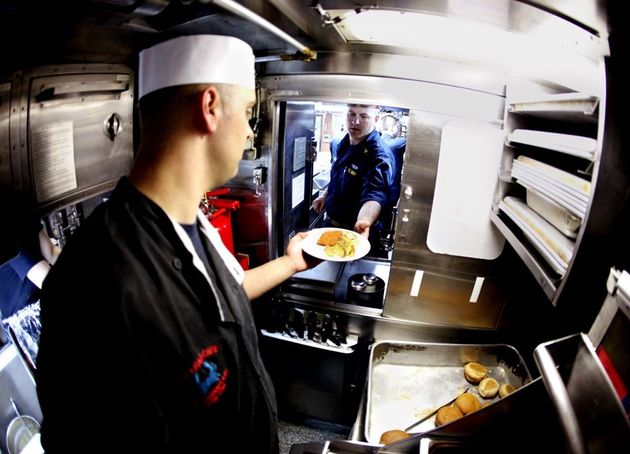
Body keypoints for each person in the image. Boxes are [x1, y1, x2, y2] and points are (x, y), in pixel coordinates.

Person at [35, 35, 314, 453]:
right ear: (211, 108)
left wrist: (290, 263)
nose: (247, 133)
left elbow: (223, 296)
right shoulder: (98, 278)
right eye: (247, 113)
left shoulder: (192, 223)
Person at [312, 104, 395, 251]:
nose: (355, 121)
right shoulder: (343, 143)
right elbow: (338, 175)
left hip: (356, 234)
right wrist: (325, 195)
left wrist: (364, 222)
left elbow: (375, 194)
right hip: (331, 227)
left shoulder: (379, 154)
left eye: (364, 116)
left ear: (375, 119)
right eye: (351, 114)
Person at [378, 113, 407, 208]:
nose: (398, 131)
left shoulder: (374, 141)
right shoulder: (396, 144)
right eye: (398, 128)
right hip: (391, 191)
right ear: (392, 128)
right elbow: (416, 141)